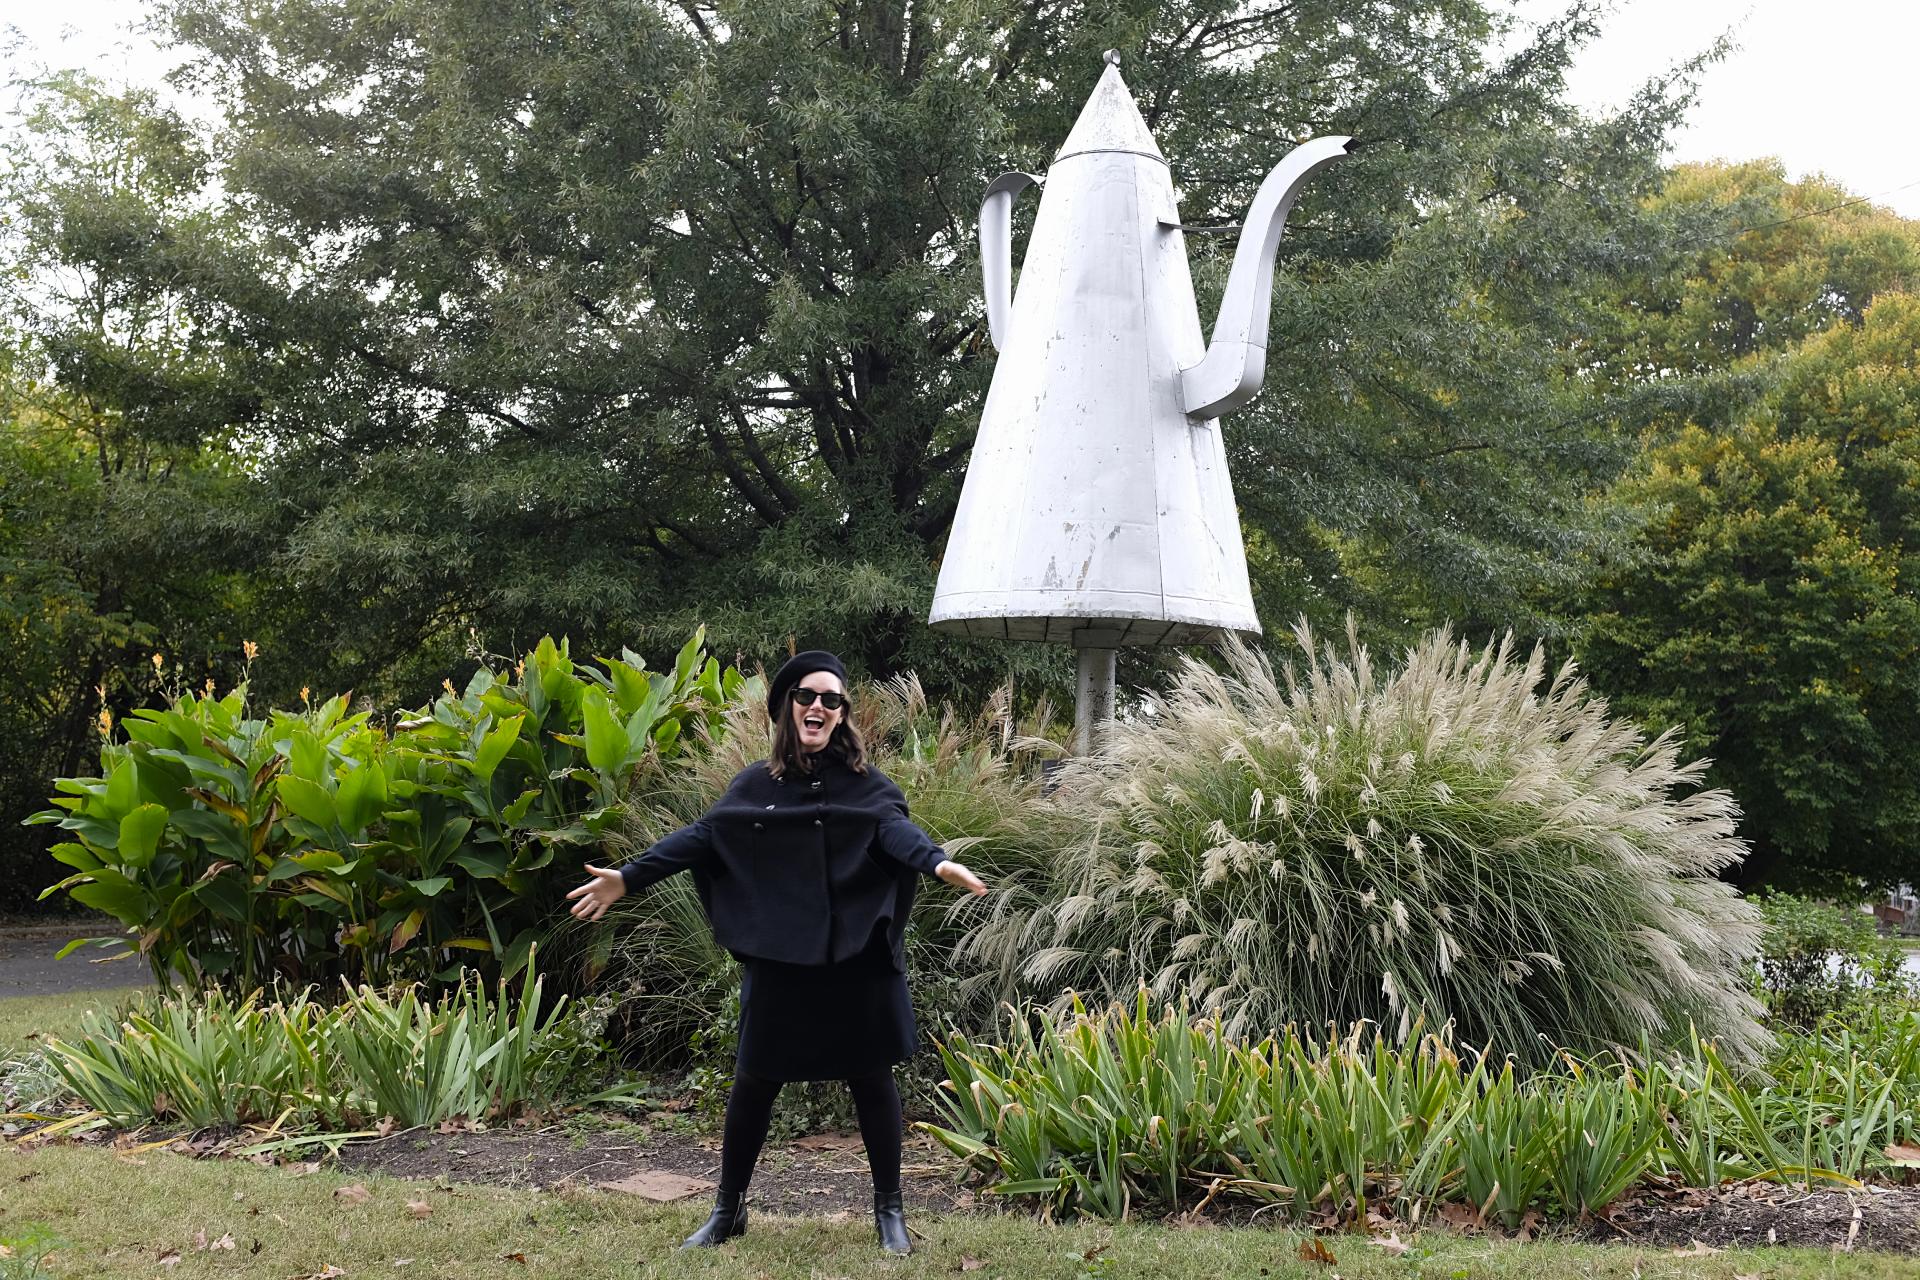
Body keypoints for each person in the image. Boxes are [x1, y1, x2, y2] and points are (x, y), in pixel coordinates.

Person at [565, 649, 988, 1255]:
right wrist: (627, 878)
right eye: (807, 696)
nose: (819, 707)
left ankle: (889, 1212)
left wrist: (936, 860)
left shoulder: (867, 787)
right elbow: (704, 837)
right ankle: (727, 1210)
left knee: (870, 1076)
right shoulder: (754, 788)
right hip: (782, 954)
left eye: (832, 700)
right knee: (754, 1079)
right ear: (787, 705)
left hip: (855, 953)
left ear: (842, 715)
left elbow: (893, 830)